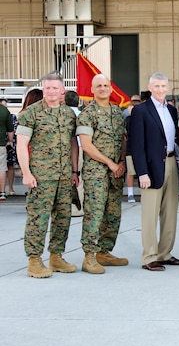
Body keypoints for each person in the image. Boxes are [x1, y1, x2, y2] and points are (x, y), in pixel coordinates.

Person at [16, 73, 79, 278]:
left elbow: (72, 144)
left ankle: (56, 256)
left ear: (62, 91)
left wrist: (74, 170)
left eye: (55, 88)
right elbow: (21, 144)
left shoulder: (69, 114)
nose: (51, 91)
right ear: (43, 90)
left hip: (63, 176)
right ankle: (34, 260)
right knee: (38, 218)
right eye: (47, 88)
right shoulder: (30, 113)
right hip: (40, 176)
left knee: (63, 218)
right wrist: (25, 173)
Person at [129, 72, 179, 272]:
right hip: (151, 167)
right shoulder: (141, 111)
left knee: (170, 212)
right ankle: (149, 256)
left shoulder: (171, 111)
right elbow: (136, 145)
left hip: (171, 163)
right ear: (150, 87)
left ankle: (164, 253)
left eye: (164, 86)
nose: (161, 89)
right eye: (157, 86)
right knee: (150, 214)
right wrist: (142, 172)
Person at [76, 75, 128, 274]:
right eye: (99, 86)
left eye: (106, 85)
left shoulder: (117, 112)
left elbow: (122, 140)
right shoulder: (87, 113)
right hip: (96, 173)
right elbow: (87, 146)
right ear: (92, 89)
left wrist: (121, 161)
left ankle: (104, 252)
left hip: (116, 172)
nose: (103, 88)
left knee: (113, 215)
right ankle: (89, 256)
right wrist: (111, 164)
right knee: (94, 214)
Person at [64, 90, 84, 216]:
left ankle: (74, 208)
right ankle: (80, 207)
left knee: (71, 180)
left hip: (71, 149)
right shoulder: (82, 114)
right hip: (83, 148)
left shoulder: (66, 115)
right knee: (80, 180)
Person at [0, 99, 13, 201]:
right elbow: (10, 129)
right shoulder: (4, 111)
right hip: (1, 144)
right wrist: (10, 141)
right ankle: (2, 192)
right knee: (2, 168)